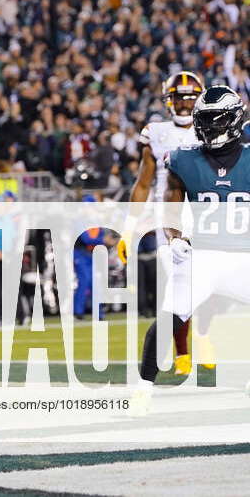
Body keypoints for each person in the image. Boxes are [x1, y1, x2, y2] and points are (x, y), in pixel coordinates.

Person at [139, 87, 250, 389]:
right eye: (204, 120)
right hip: (202, 257)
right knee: (166, 321)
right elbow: (170, 210)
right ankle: (141, 391)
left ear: (234, 120)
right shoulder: (183, 160)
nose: (208, 127)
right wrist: (173, 237)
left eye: (215, 119)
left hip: (245, 257)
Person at [118, 72, 205, 376]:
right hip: (169, 218)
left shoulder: (211, 128)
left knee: (210, 280)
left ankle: (203, 336)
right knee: (181, 283)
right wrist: (128, 230)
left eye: (190, 97)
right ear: (169, 100)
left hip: (204, 211)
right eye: (179, 97)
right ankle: (183, 352)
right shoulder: (156, 132)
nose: (184, 104)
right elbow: (143, 184)